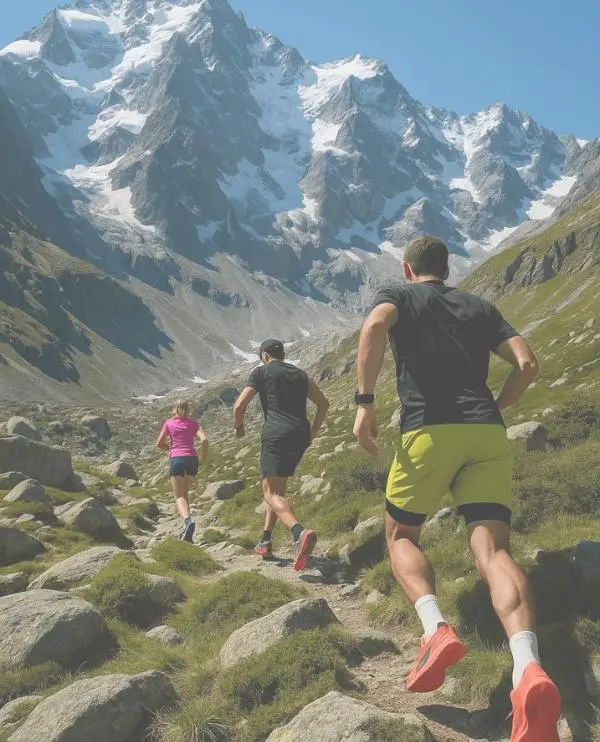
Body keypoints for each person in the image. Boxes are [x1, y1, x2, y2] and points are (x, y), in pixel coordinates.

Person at [353, 236, 560, 741]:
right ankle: (528, 667)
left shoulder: (398, 296)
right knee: (493, 549)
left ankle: (434, 630)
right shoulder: (481, 306)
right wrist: (497, 410)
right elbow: (527, 363)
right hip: (486, 432)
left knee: (402, 535)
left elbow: (375, 325)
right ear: (446, 270)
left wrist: (365, 401)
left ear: (408, 268)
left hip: (428, 429)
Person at [233, 339, 329, 571]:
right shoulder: (301, 374)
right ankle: (265, 540)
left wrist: (239, 428)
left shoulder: (261, 372)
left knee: (269, 493)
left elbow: (239, 405)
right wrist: (312, 432)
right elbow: (324, 404)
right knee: (278, 491)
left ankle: (298, 531)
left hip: (275, 434)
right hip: (299, 435)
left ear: (265, 355)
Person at [156, 399, 208, 543]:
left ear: (175, 409)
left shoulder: (169, 423)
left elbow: (159, 443)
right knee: (185, 495)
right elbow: (204, 440)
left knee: (178, 496)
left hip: (177, 459)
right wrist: (203, 455)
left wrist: (169, 450)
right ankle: (187, 530)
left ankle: (187, 521)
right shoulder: (194, 423)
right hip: (192, 459)